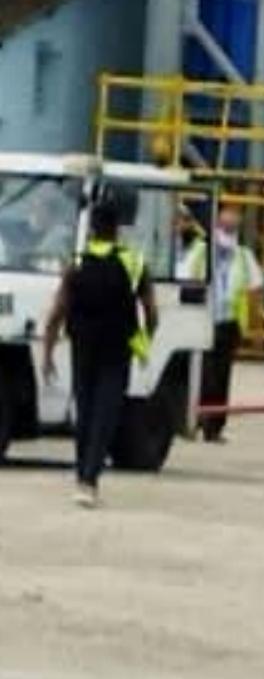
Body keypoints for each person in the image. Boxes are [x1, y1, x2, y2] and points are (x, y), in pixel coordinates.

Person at [39, 203, 157, 508]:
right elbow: (151, 309)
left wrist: (48, 352)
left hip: (83, 346)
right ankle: (90, 480)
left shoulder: (76, 263)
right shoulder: (133, 262)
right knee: (106, 413)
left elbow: (57, 312)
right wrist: (145, 337)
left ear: (91, 229)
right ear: (117, 230)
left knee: (86, 410)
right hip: (117, 349)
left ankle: (83, 477)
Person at [181, 206, 264, 443]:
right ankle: (197, 420)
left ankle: (213, 426)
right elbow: (187, 279)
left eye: (233, 225)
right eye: (225, 224)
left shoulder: (244, 256)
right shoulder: (200, 251)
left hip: (228, 324)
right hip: (203, 320)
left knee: (220, 377)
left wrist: (256, 328)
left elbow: (255, 290)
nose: (228, 230)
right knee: (204, 374)